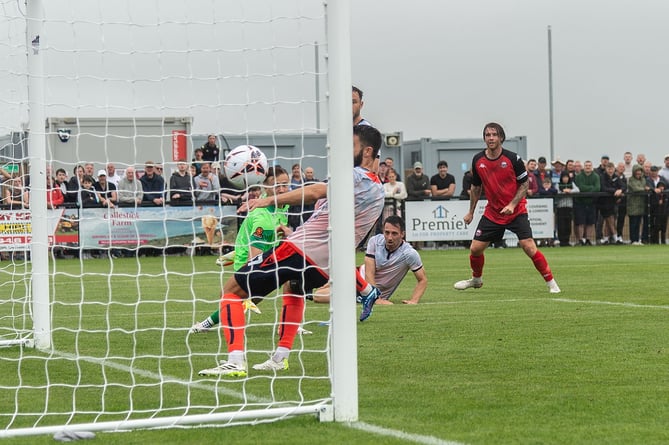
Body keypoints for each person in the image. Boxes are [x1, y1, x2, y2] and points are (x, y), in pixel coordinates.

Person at [197, 125, 385, 377]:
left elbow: (316, 191)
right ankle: (280, 357)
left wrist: (267, 200)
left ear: (367, 151)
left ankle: (235, 360)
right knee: (293, 290)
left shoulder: (355, 176)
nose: (344, 151)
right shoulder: (378, 189)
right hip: (326, 263)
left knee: (231, 291)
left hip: (301, 249)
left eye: (350, 146)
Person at [453, 122, 560, 294]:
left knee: (529, 247)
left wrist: (512, 204)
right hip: (493, 212)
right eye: (487, 135)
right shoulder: (478, 160)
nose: (491, 138)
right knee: (475, 249)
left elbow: (524, 184)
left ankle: (551, 283)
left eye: (494, 134)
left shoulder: (513, 159)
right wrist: (471, 212)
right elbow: (476, 187)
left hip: (516, 211)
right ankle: (476, 280)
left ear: (501, 138)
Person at [191, 166, 291, 333]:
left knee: (250, 298)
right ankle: (289, 325)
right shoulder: (262, 217)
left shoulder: (281, 206)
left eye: (285, 185)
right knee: (237, 300)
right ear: (265, 187)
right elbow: (255, 255)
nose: (282, 190)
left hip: (264, 257)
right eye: (277, 186)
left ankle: (205, 325)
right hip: (252, 263)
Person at [311, 216, 427, 305]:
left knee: (318, 296)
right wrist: (374, 297)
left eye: (394, 233)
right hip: (357, 277)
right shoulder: (375, 241)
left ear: (402, 234)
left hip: (362, 289)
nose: (390, 237)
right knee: (321, 288)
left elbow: (422, 279)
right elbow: (369, 272)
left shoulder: (409, 254)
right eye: (387, 232)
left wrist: (414, 300)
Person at [573, 160, 601, 245]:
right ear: (583, 167)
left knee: (590, 222)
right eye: (586, 165)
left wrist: (588, 190)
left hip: (591, 202)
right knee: (580, 222)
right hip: (580, 202)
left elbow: (597, 188)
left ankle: (588, 239)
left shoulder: (596, 176)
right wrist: (591, 189)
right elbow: (580, 187)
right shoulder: (579, 176)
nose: (588, 167)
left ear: (591, 167)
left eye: (589, 165)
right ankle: (581, 240)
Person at [597, 162, 623, 244]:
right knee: (610, 220)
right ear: (606, 169)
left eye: (612, 168)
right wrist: (614, 191)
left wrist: (620, 190)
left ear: (614, 169)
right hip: (604, 203)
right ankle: (616, 237)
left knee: (610, 221)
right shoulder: (602, 177)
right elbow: (603, 188)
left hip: (613, 202)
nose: (610, 170)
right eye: (608, 168)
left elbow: (623, 186)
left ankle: (605, 238)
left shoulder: (616, 177)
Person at [627, 164, 649, 245]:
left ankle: (637, 239)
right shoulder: (631, 180)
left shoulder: (643, 180)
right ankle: (633, 240)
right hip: (632, 205)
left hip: (641, 205)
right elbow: (636, 189)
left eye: (640, 171)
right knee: (633, 223)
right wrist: (644, 189)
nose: (638, 173)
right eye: (637, 171)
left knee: (639, 223)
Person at [555, 171, 578, 246]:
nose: (565, 179)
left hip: (569, 207)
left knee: (568, 224)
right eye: (564, 177)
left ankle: (567, 240)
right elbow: (556, 191)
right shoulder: (558, 185)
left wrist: (570, 191)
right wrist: (563, 192)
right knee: (561, 225)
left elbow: (577, 190)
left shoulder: (572, 184)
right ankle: (562, 241)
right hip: (560, 207)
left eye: (566, 177)